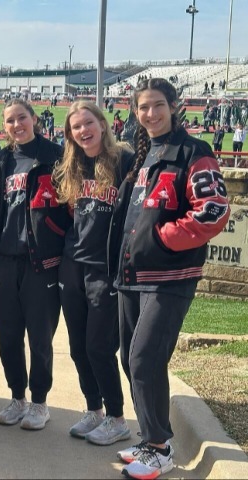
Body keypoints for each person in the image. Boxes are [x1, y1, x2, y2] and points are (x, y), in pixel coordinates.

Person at [108, 78, 229, 479]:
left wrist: (163, 239)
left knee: (144, 358)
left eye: (158, 105)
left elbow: (213, 209)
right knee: (131, 360)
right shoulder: (143, 154)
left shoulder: (195, 151)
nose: (151, 114)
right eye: (143, 107)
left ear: (174, 106)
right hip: (132, 274)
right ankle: (150, 438)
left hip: (169, 275)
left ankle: (160, 449)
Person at [0, 99, 70, 430]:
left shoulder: (56, 156)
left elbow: (70, 205)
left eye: (22, 118)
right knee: (8, 336)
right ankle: (17, 396)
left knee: (39, 338)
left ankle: (39, 402)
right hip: (4, 258)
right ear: (4, 126)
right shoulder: (2, 160)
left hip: (41, 260)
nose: (17, 125)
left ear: (34, 119)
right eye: (10, 121)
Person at [52, 101, 135, 445]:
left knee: (99, 346)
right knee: (77, 346)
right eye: (76, 127)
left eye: (88, 123)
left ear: (102, 124)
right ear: (70, 134)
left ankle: (117, 417)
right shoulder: (71, 165)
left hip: (106, 266)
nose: (83, 131)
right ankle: (94, 409)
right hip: (74, 262)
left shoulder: (124, 160)